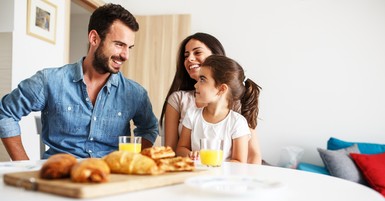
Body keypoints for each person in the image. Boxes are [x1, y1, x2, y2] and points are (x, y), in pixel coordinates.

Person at [0, 3, 159, 160]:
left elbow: (149, 128)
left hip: (110, 179)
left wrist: (134, 163)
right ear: (94, 38)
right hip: (60, 178)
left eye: (129, 47)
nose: (125, 55)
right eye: (119, 45)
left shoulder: (135, 94)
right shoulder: (50, 81)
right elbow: (5, 113)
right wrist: (24, 166)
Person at [160, 32, 262, 164]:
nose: (189, 59)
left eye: (197, 52)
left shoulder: (237, 110)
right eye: (186, 55)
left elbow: (251, 156)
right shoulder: (181, 102)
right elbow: (174, 151)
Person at [176, 55, 261, 163]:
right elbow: (180, 148)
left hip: (224, 178)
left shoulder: (237, 122)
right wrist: (190, 154)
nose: (196, 85)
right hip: (197, 176)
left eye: (202, 79)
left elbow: (239, 161)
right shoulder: (192, 115)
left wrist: (216, 167)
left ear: (221, 89)